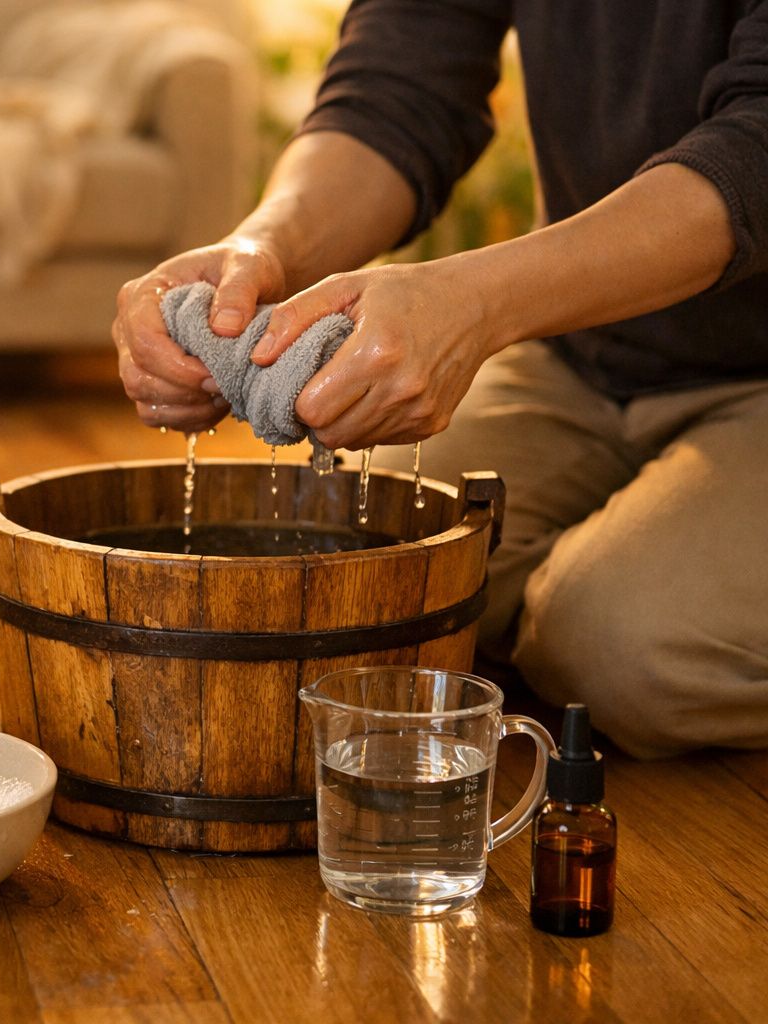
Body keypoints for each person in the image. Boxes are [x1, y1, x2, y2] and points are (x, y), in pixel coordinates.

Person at [113, 0, 768, 759]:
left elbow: (757, 151)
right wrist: (262, 247)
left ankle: (574, 624)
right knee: (368, 573)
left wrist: (479, 304)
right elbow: (397, 90)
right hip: (583, 351)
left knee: (623, 650)